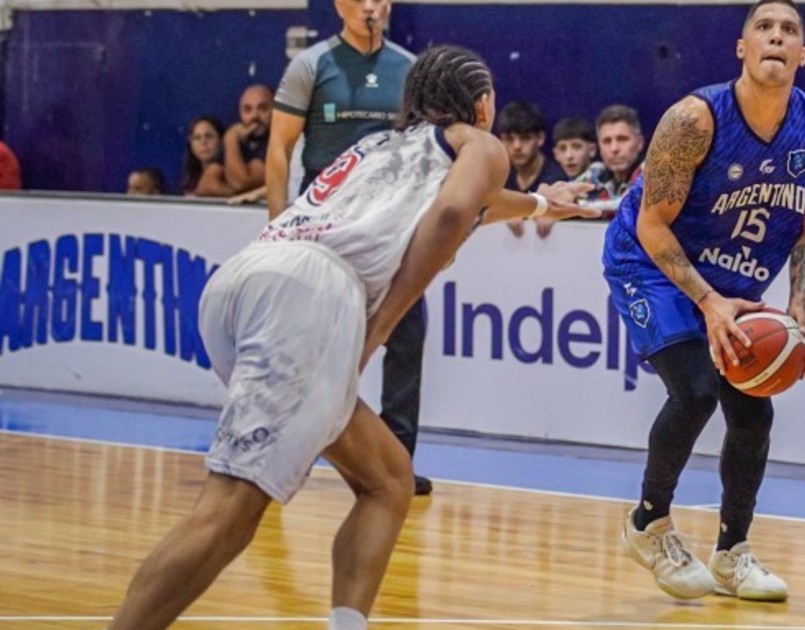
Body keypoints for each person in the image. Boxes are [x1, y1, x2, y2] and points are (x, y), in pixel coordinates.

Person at [106, 45, 595, 630]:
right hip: (308, 296)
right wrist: (381, 325)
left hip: (244, 280)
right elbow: (451, 214)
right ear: (484, 104)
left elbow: (464, 205)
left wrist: (541, 204)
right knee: (230, 507)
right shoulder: (483, 146)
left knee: (388, 480)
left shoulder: (380, 145)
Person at [602, 0, 805, 602]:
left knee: (754, 410)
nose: (776, 37)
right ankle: (648, 523)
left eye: (789, 30)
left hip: (733, 274)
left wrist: (799, 305)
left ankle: (732, 552)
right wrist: (707, 302)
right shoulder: (695, 119)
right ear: (742, 47)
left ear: (804, 54)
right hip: (650, 262)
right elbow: (653, 224)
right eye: (764, 27)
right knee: (697, 390)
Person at [265, 0, 436, 494]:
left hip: (390, 217)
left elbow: (425, 152)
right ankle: (280, 449)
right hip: (326, 220)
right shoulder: (311, 65)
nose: (370, 6)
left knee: (407, 333)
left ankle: (397, 463)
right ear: (339, 4)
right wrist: (279, 229)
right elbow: (278, 150)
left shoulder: (409, 69)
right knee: (308, 340)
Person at [496, 100, 566, 238]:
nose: (517, 146)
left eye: (525, 138)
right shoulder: (499, 179)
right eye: (509, 139)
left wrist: (557, 217)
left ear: (540, 138)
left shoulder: (558, 180)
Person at [224, 84, 273, 195]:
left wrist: (230, 138)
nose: (255, 116)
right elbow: (206, 184)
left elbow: (241, 183)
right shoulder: (239, 140)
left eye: (263, 108)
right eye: (247, 110)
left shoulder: (277, 141)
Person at [181, 116, 234, 197]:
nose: (203, 142)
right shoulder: (188, 179)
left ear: (221, 140)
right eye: (197, 138)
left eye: (209, 136)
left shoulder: (231, 175)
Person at [551, 116, 598, 180]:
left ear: (592, 150)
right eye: (562, 149)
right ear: (556, 155)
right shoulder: (555, 181)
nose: (569, 156)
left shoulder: (603, 180)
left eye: (576, 147)